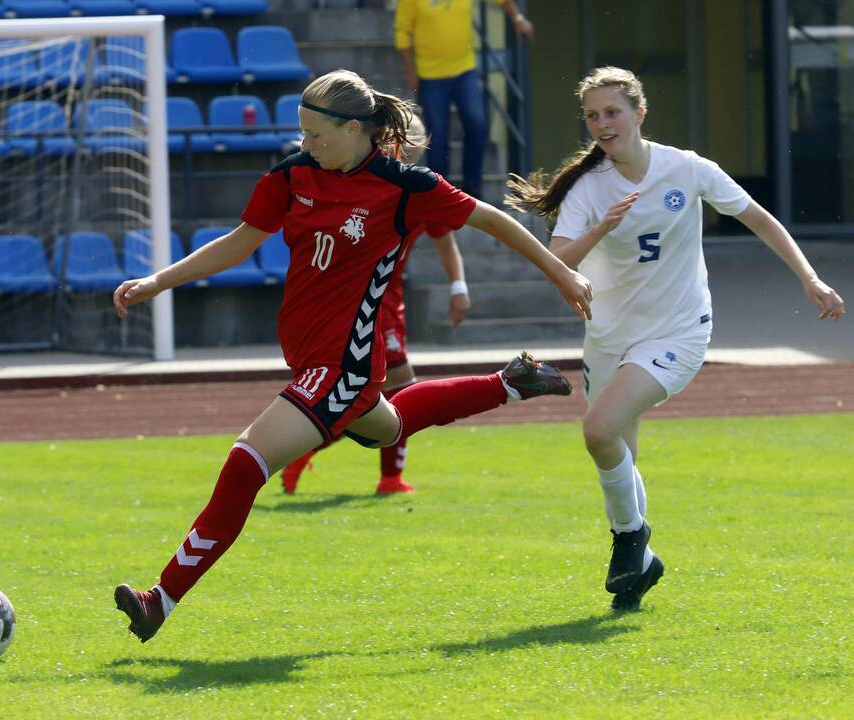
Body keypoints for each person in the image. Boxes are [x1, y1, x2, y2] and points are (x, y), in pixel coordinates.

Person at [111, 69, 592, 644]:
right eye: (302, 133)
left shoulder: (406, 186)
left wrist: (561, 272)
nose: (305, 145)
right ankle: (512, 382)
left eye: (316, 135)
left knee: (246, 464)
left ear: (355, 128)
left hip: (344, 363)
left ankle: (159, 600)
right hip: (310, 356)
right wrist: (158, 281)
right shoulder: (292, 176)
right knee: (387, 428)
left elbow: (490, 219)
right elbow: (240, 241)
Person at [506, 66, 845, 612]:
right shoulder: (591, 188)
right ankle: (639, 565)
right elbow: (558, 260)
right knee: (615, 452)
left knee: (596, 429)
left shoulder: (686, 169)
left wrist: (810, 278)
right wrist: (600, 229)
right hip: (609, 335)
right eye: (592, 116)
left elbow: (760, 219)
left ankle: (628, 541)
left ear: (640, 113)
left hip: (679, 331)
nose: (602, 124)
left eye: (612, 112)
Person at [280, 117, 472, 496]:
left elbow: (446, 239)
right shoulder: (370, 185)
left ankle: (340, 459)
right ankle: (374, 473)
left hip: (389, 301)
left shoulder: (418, 187)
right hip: (369, 305)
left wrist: (458, 286)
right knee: (394, 395)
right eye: (407, 143)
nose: (413, 150)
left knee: (375, 398)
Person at [394, 0, 534, 200]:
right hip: (430, 75)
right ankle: (439, 193)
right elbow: (402, 33)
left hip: (464, 71)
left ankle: (472, 188)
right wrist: (410, 71)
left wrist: (518, 19)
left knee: (477, 124)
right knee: (437, 137)